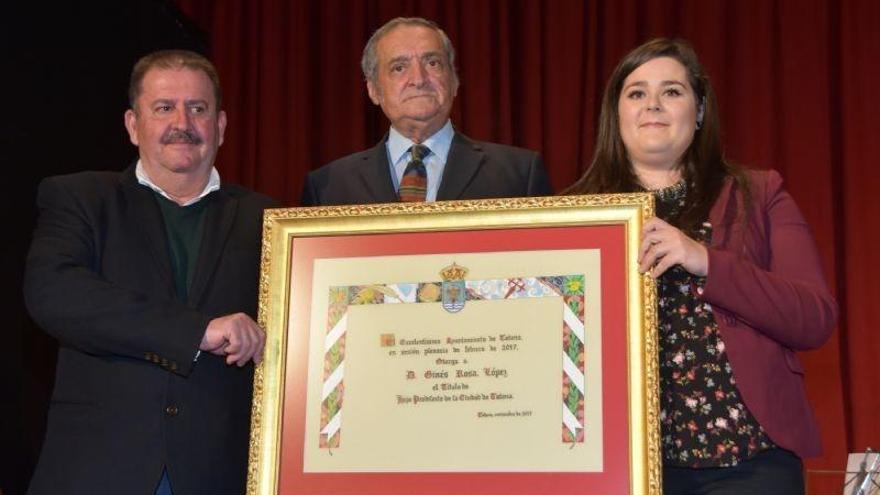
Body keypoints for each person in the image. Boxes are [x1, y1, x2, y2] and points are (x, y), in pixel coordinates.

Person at [565, 38, 837, 494]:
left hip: (748, 460)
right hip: (617, 463)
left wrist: (705, 260)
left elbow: (814, 318)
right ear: (616, 114)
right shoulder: (574, 214)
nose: (652, 104)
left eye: (672, 91)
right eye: (636, 93)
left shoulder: (759, 193)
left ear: (700, 110)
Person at [23, 50, 276, 495]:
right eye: (164, 108)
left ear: (220, 126)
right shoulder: (80, 198)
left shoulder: (268, 219)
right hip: (98, 472)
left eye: (198, 108)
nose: (183, 122)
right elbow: (55, 294)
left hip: (222, 473)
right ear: (132, 124)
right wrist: (197, 331)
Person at [301, 17, 552, 206]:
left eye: (432, 63)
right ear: (373, 90)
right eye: (399, 68)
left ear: (454, 82)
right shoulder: (328, 188)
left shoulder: (519, 175)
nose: (419, 79)